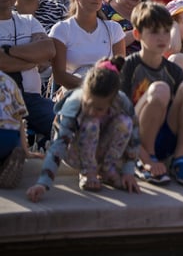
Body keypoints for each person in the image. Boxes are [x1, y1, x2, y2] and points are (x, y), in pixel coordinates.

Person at [26, 57, 141, 199]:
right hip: (75, 151)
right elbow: (59, 145)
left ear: (112, 101)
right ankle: (88, 172)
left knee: (125, 123)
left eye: (99, 109)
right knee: (91, 123)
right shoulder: (74, 102)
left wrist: (128, 171)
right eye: (88, 105)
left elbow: (135, 136)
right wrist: (43, 183)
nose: (93, 111)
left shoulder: (121, 100)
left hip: (102, 147)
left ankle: (107, 169)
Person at [122, 1, 183, 187]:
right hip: (135, 142)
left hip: (166, 138)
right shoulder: (129, 67)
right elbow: (121, 118)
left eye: (166, 31)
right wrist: (145, 158)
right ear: (137, 34)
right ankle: (144, 161)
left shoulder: (173, 71)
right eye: (154, 32)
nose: (162, 37)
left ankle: (180, 159)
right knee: (160, 89)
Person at [0, 0, 56, 143]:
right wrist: (32, 60)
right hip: (2, 102)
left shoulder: (29, 21)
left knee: (69, 124)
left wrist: (8, 50)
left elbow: (48, 51)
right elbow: (3, 64)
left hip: (32, 99)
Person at [50, 0, 126, 91]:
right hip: (73, 92)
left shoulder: (114, 29)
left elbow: (120, 71)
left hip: (107, 92)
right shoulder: (61, 29)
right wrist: (92, 87)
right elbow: (60, 76)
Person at [0, 71, 29, 189]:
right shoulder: (9, 81)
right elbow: (20, 119)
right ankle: (9, 157)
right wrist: (26, 150)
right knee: (13, 137)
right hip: (8, 138)